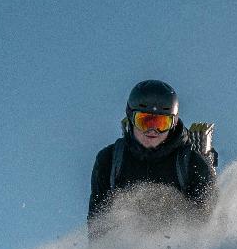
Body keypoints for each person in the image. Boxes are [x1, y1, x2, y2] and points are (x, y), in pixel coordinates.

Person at [87, 79, 218, 239]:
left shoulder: (192, 164)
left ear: (173, 123)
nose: (153, 130)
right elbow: (98, 222)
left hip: (180, 248)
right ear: (130, 118)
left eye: (161, 122)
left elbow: (208, 223)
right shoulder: (109, 160)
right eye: (144, 121)